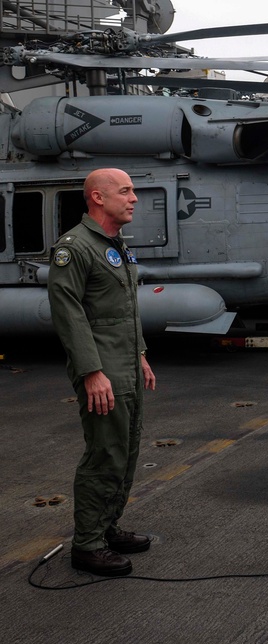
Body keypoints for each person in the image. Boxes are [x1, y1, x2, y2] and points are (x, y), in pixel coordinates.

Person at [47, 168, 156, 577]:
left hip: (125, 363)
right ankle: (88, 544)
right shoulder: (75, 248)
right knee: (104, 453)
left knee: (126, 449)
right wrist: (92, 372)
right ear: (97, 197)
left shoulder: (115, 245)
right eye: (125, 191)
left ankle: (107, 527)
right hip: (102, 369)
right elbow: (68, 312)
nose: (134, 198)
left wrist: (140, 353)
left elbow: (125, 307)